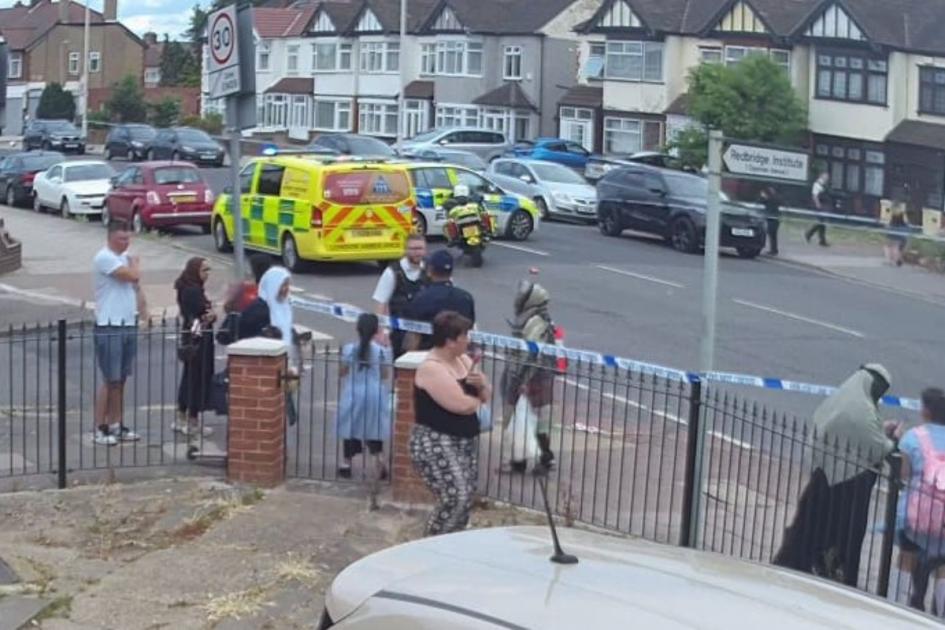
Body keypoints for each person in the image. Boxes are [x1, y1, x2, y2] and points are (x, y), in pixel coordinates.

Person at [773, 364, 897, 586]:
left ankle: (803, 564)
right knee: (844, 534)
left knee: (811, 526)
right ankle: (836, 575)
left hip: (823, 477)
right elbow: (878, 447)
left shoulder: (842, 401)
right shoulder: (863, 411)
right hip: (851, 485)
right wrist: (892, 440)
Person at [410, 311, 490, 536]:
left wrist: (482, 385)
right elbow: (459, 404)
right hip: (436, 441)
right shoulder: (432, 368)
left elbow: (486, 395)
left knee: (466, 499)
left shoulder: (463, 360)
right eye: (464, 336)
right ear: (450, 341)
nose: (469, 340)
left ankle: (453, 541)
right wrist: (478, 399)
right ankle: (431, 541)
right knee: (456, 495)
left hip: (464, 440)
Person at [92, 221, 146, 446]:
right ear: (110, 238)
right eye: (122, 239)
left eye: (128, 239)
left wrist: (143, 310)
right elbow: (132, 276)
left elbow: (136, 286)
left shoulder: (124, 259)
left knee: (121, 380)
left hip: (127, 322)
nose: (127, 243)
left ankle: (116, 424)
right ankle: (99, 428)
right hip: (109, 324)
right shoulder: (104, 258)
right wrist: (135, 265)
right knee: (110, 379)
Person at [894, 387, 945, 613]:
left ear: (925, 411)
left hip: (916, 516)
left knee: (907, 558)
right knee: (943, 569)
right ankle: (940, 616)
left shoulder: (913, 437)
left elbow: (903, 474)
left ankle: (898, 605)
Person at [501, 279, 557, 474]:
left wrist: (522, 380)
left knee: (535, 419)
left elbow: (531, 353)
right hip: (527, 374)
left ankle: (545, 458)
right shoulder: (529, 317)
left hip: (533, 376)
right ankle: (519, 459)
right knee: (520, 417)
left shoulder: (536, 321)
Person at [238, 266, 300, 424]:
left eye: (288, 285)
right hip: (261, 368)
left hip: (280, 364)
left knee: (278, 413)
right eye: (282, 285)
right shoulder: (259, 309)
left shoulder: (282, 306)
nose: (286, 289)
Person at [336, 313, 392, 480]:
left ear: (357, 329)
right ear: (376, 330)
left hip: (354, 392)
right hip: (374, 393)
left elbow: (342, 372)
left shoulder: (349, 349)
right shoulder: (381, 351)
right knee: (373, 427)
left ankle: (346, 463)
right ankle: (380, 461)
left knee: (350, 426)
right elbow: (384, 375)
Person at [172, 257, 216, 438]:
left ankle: (182, 416)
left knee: (190, 375)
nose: (207, 274)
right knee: (198, 377)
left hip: (191, 335)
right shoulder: (193, 291)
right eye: (204, 270)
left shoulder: (187, 287)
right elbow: (202, 314)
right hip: (198, 337)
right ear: (195, 271)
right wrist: (211, 315)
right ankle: (192, 421)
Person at [403, 250, 475, 351]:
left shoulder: (420, 298)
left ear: (430, 270)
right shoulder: (465, 298)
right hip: (458, 356)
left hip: (427, 356)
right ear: (451, 272)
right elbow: (471, 332)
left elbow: (414, 336)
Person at [372, 234, 427, 357]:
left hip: (427, 334)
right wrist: (381, 332)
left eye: (420, 248)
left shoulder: (430, 269)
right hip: (400, 334)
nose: (417, 252)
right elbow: (381, 304)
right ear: (405, 250)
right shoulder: (392, 272)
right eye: (413, 249)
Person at [805, 172, 830, 247]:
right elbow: (815, 195)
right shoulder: (817, 184)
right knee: (821, 222)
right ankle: (809, 234)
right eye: (825, 177)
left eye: (827, 177)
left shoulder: (825, 184)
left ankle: (821, 239)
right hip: (820, 205)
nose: (827, 178)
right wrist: (817, 204)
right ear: (821, 176)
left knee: (822, 223)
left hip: (824, 205)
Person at [759, 185, 781, 256]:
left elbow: (765, 201)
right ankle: (773, 249)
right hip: (773, 218)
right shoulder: (775, 197)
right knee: (772, 235)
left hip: (773, 218)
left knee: (772, 234)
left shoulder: (773, 198)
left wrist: (763, 196)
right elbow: (763, 202)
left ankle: (774, 250)